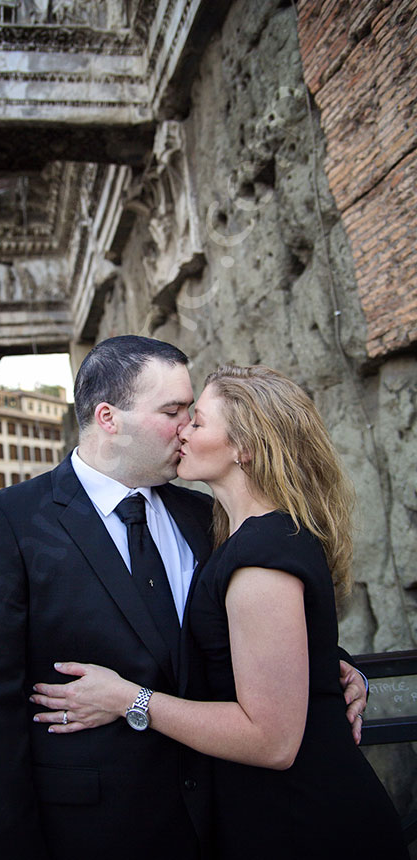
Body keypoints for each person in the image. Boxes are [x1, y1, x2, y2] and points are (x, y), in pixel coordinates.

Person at [0, 339, 366, 860]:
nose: (186, 426)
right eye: (172, 411)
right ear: (109, 418)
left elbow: (253, 633)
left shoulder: (205, 515)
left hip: (225, 817)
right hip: (96, 831)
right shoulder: (9, 522)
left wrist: (336, 671)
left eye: (193, 412)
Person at [30, 364, 408, 860]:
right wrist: (330, 666)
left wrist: (128, 699)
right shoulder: (241, 535)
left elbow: (272, 741)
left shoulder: (259, 555)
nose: (182, 429)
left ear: (242, 447)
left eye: (198, 421)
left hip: (301, 823)